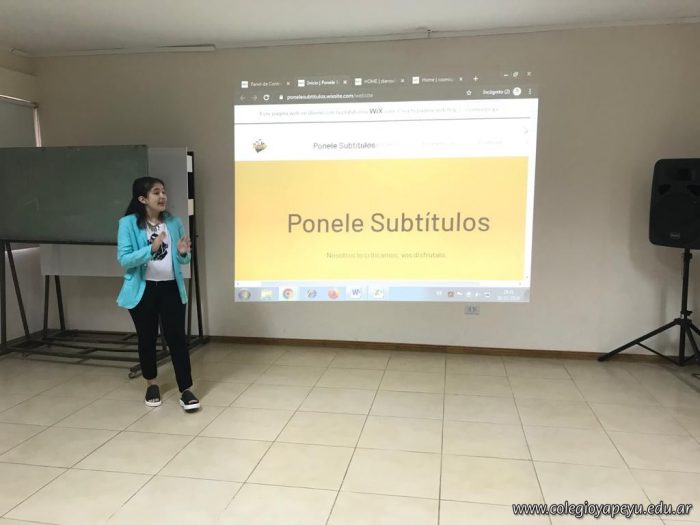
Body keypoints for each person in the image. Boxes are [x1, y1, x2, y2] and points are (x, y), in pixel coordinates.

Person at [116, 176, 200, 412]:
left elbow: (184, 258)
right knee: (147, 338)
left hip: (170, 287)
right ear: (142, 199)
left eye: (163, 191)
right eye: (156, 192)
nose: (162, 196)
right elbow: (124, 259)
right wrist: (150, 249)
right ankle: (151, 384)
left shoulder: (173, 222)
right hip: (143, 290)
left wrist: (182, 253)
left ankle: (186, 389)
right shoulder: (128, 224)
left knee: (177, 339)